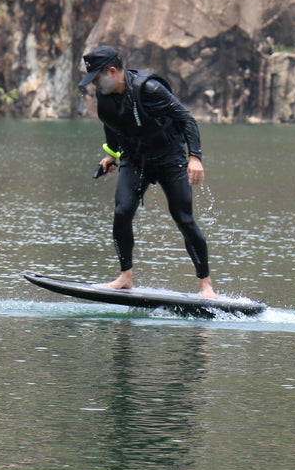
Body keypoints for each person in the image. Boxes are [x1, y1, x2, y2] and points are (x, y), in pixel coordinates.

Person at [79, 45, 216, 299]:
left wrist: (194, 157)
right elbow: (112, 124)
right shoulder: (105, 96)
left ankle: (206, 286)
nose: (94, 85)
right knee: (122, 211)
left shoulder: (149, 89)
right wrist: (111, 154)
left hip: (169, 157)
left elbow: (186, 119)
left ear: (112, 71)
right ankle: (125, 278)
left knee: (183, 218)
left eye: (97, 78)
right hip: (135, 159)